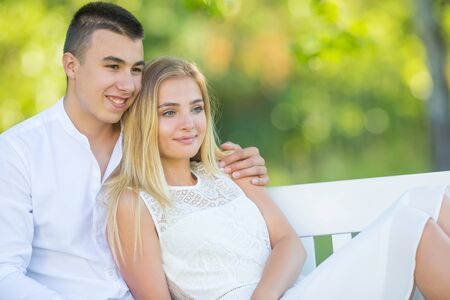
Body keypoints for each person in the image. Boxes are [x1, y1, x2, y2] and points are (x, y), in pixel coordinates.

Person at [102, 56, 450, 300]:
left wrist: (264, 296)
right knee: (409, 223)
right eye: (168, 112)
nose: (188, 123)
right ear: (143, 121)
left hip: (293, 292)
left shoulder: (227, 171)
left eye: (196, 108)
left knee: (425, 199)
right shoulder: (134, 202)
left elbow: (289, 243)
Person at [0, 3, 269, 300]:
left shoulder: (150, 139)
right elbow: (5, 273)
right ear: (71, 66)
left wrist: (246, 165)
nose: (127, 85)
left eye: (136, 69)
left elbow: (205, 172)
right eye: (112, 67)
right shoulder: (18, 152)